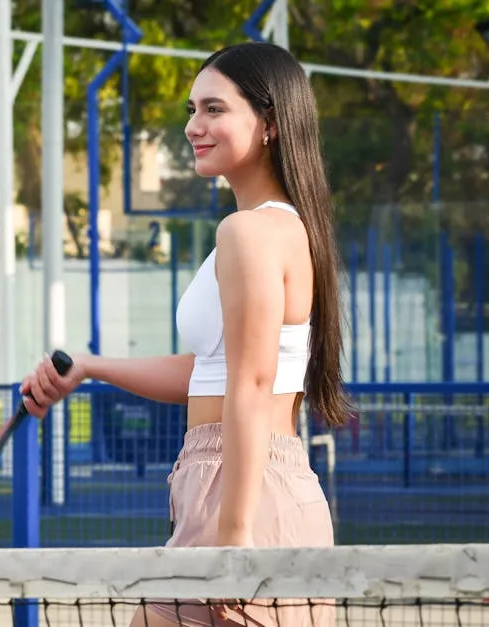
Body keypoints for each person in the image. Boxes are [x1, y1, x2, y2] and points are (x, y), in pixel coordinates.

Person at [20, 42, 351, 627]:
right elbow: (216, 372)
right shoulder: (271, 230)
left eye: (215, 109)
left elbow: (251, 382)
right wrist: (92, 367)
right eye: (192, 108)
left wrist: (234, 537)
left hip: (246, 500)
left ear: (270, 122)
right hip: (236, 491)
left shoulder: (248, 233)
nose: (193, 126)